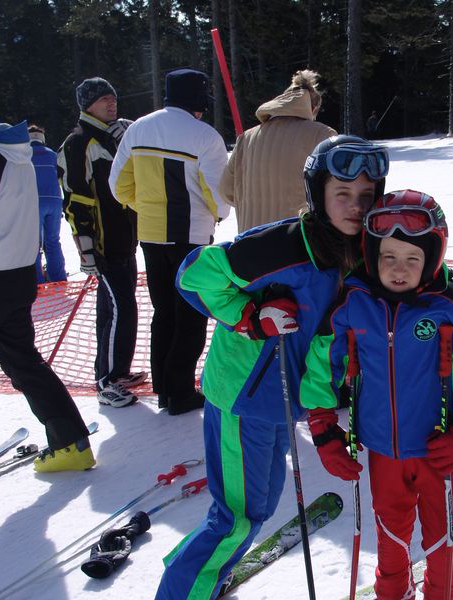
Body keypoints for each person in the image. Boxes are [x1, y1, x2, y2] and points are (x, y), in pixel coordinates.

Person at [154, 135, 388, 599]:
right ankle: (181, 590)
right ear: (318, 193)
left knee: (257, 500)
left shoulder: (360, 251)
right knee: (238, 516)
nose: (356, 206)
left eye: (366, 195)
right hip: (243, 396)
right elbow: (194, 275)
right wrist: (249, 317)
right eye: (342, 193)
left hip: (284, 399)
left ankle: (197, 572)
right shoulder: (281, 246)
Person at [300, 190, 453, 600]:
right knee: (390, 531)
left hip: (438, 448)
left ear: (431, 259)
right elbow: (322, 362)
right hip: (382, 449)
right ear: (371, 254)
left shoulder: (450, 306)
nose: (399, 269)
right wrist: (323, 429)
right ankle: (393, 592)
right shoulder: (353, 303)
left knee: (441, 537)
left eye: (412, 258)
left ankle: (442, 594)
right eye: (388, 257)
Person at [109, 68, 230, 416]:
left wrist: (147, 207)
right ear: (198, 101)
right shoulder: (205, 136)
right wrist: (217, 215)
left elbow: (119, 186)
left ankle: (164, 388)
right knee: (190, 315)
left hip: (150, 234)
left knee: (162, 312)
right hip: (191, 236)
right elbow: (219, 196)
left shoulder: (137, 128)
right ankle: (180, 392)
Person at [0, 119, 94, 472]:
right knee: (23, 363)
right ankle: (70, 443)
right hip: (18, 274)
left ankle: (70, 441)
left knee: (23, 362)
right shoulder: (18, 155)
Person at [58, 76, 144, 408]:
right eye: (103, 99)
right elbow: (75, 200)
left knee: (115, 308)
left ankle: (115, 371)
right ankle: (107, 381)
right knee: (122, 308)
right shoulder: (79, 142)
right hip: (103, 244)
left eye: (113, 98)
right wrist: (86, 248)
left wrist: (128, 143)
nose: (111, 103)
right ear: (87, 105)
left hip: (124, 240)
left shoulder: (113, 137)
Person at [220, 69, 336, 233]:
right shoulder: (322, 134)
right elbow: (336, 191)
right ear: (313, 108)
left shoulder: (246, 138)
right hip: (297, 238)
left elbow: (225, 190)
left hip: (249, 239)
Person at [27, 124, 67, 283]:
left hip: (33, 201)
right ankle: (58, 278)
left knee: (33, 243)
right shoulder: (52, 154)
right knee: (53, 241)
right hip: (55, 201)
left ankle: (37, 279)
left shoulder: (24, 155)